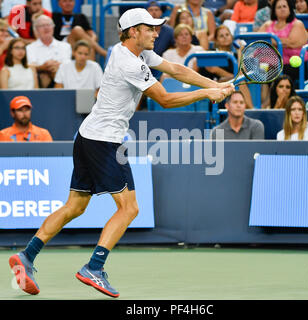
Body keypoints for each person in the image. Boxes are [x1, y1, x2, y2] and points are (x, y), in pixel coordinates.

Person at [9, 8, 234, 298]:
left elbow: (177, 70)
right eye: (150, 28)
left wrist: (214, 85)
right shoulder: (131, 63)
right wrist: (206, 94)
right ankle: (95, 266)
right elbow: (164, 99)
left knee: (75, 207)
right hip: (105, 142)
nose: (156, 33)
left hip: (88, 136)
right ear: (133, 32)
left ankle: (27, 256)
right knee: (129, 208)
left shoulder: (130, 51)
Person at [257, 0, 308, 85]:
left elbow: (292, 43)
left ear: (289, 9)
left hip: (292, 64)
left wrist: (272, 40)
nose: (282, 9)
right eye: (279, 7)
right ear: (274, 10)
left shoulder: (297, 24)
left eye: (284, 6)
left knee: (273, 73)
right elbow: (257, 40)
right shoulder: (268, 24)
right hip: (269, 64)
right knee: (260, 72)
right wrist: (272, 41)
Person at [26, 15, 71, 88]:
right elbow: (31, 66)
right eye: (42, 25)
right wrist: (43, 67)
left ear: (53, 27)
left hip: (60, 76)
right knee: (43, 75)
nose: (46, 28)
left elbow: (67, 64)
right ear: (36, 30)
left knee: (60, 72)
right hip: (40, 79)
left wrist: (52, 65)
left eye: (48, 25)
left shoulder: (65, 46)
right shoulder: (30, 48)